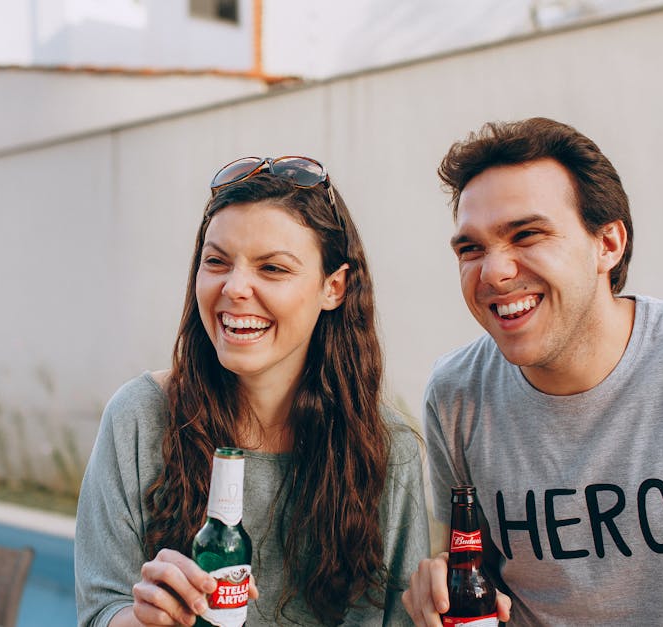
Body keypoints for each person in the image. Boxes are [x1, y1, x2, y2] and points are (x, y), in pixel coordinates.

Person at [403, 117, 663, 625]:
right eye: (471, 248)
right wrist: (445, 589)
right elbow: (481, 585)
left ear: (608, 244)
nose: (493, 272)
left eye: (527, 234)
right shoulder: (456, 392)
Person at [75, 156, 429, 626]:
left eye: (273, 268)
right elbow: (101, 610)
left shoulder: (385, 449)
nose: (235, 287)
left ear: (334, 286)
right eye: (217, 261)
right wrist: (147, 618)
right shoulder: (139, 418)